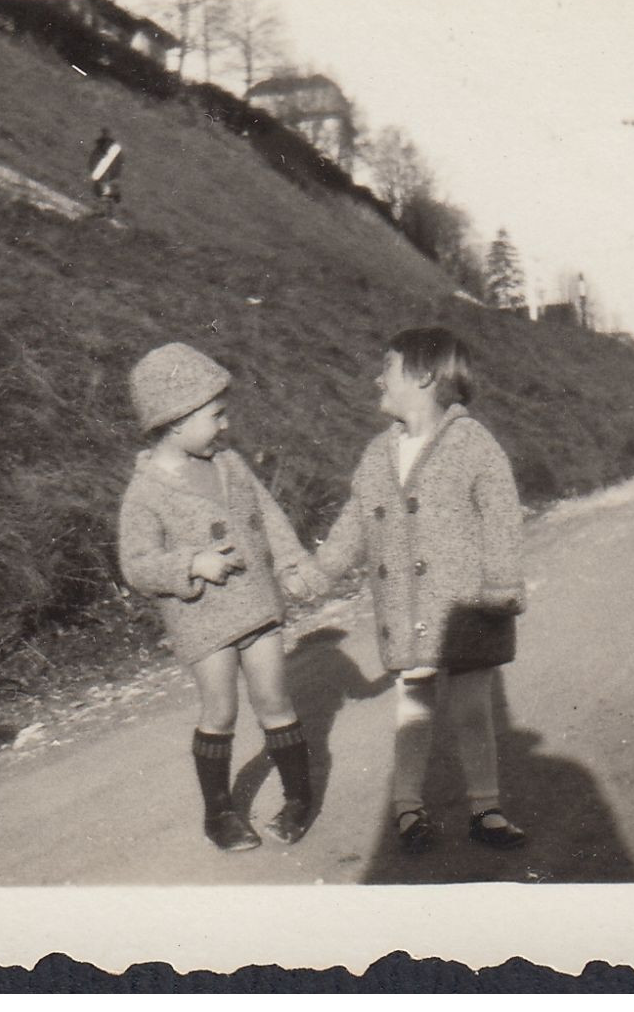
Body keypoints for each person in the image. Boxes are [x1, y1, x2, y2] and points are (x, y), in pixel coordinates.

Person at [313, 327, 528, 855]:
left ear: (425, 376)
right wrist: (319, 572)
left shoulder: (471, 442)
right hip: (407, 607)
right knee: (415, 704)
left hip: (465, 606)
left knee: (474, 708)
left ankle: (486, 807)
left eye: (387, 366)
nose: (376, 377)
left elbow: (501, 514)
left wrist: (502, 583)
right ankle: (408, 806)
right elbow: (356, 521)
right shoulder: (376, 454)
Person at [117, 343, 324, 852]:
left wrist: (293, 562)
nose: (226, 425)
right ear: (175, 420)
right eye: (216, 415)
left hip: (257, 604)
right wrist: (190, 563)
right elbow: (137, 565)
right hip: (202, 620)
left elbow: (269, 515)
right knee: (221, 709)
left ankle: (299, 798)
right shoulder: (145, 493)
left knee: (274, 699)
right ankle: (220, 814)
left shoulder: (230, 465)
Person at [88, 128, 124, 215]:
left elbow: (94, 160)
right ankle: (103, 212)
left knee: (103, 193)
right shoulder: (102, 147)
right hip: (105, 175)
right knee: (103, 193)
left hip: (106, 176)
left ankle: (103, 213)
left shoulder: (107, 149)